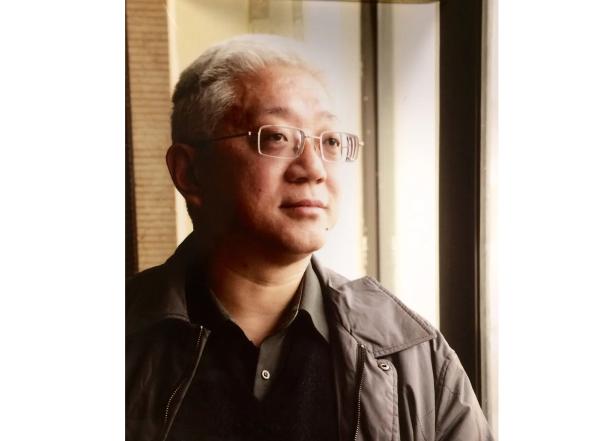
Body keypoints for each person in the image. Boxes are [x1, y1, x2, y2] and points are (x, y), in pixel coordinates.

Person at [126, 34, 494, 441]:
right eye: (277, 137)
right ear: (190, 172)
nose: (314, 169)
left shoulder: (412, 353)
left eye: (330, 141)